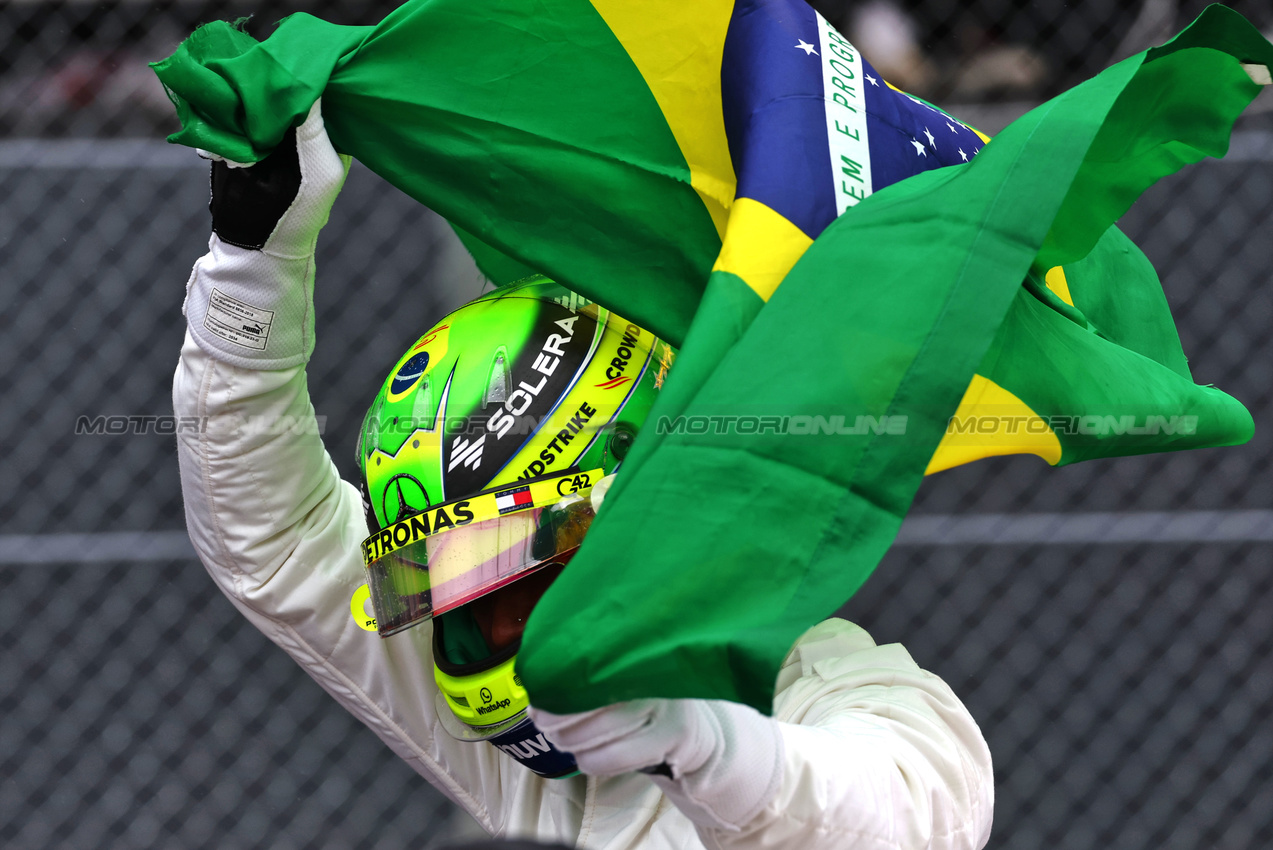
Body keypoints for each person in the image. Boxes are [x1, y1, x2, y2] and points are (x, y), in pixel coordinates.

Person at [174, 102, 994, 849]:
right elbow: (277, 546)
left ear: (645, 515)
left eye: (513, 573)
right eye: (446, 581)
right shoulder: (529, 748)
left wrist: (707, 745)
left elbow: (904, 819)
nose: (486, 626)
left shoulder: (844, 694)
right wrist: (253, 258)